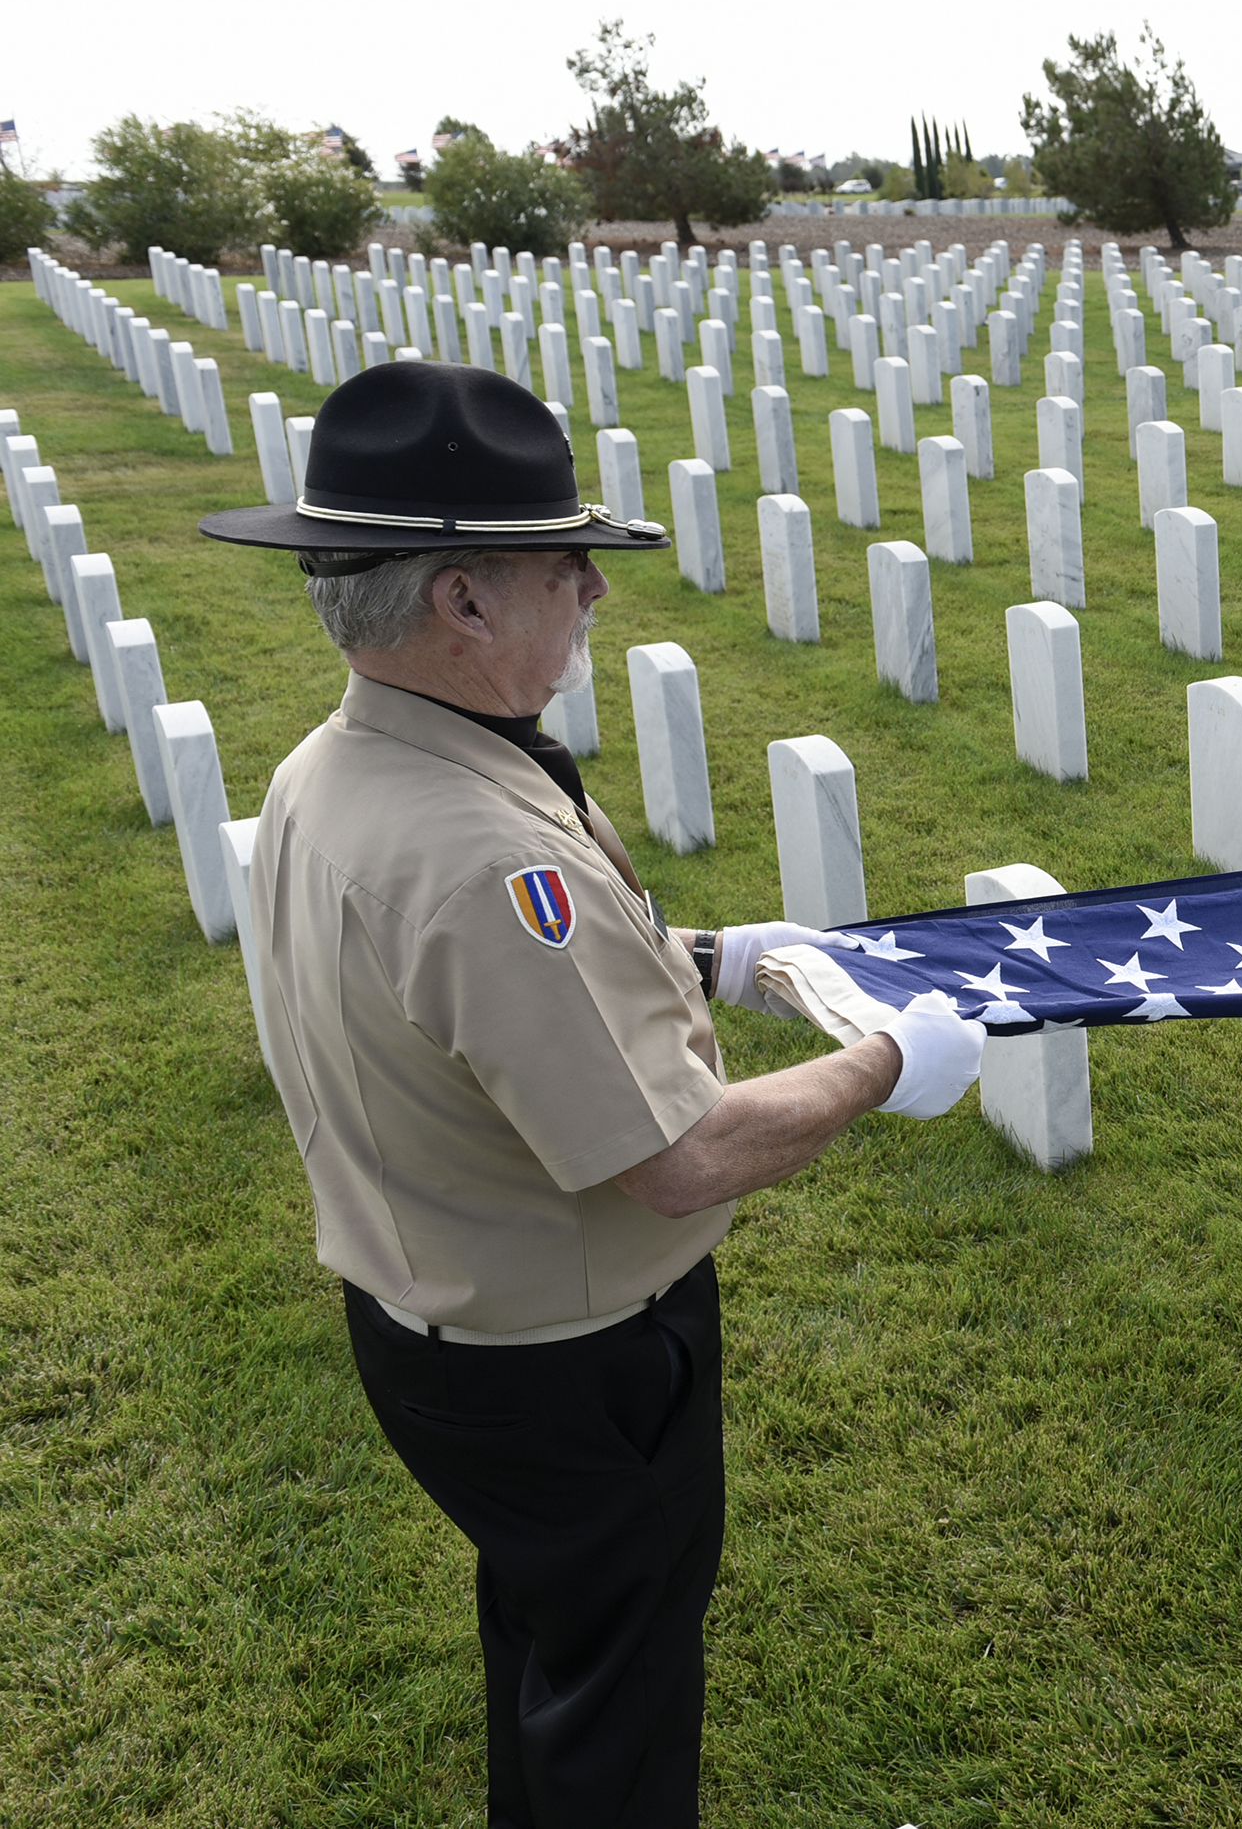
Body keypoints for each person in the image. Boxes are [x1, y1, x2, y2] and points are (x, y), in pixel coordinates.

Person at [199, 361, 984, 1827]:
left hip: (435, 1314)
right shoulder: (490, 856)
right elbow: (675, 1159)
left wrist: (709, 955)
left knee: (557, 1639)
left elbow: (462, 1006)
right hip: (568, 1353)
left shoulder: (340, 766)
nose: (596, 596)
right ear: (466, 602)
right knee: (621, 1691)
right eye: (570, 566)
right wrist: (887, 1065)